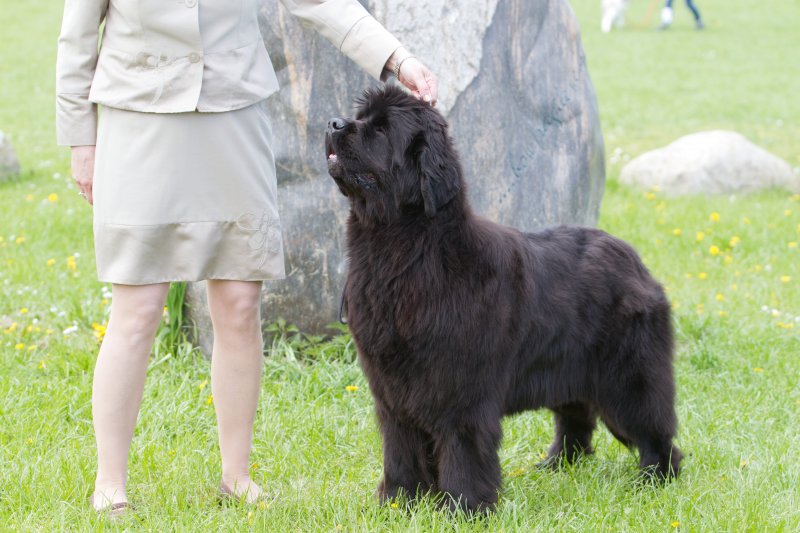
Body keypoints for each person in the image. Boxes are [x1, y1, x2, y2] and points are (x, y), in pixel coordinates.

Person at [56, 0, 438, 516]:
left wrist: (397, 58)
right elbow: (77, 38)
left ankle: (236, 477)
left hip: (234, 113)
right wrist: (81, 140)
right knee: (137, 309)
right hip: (137, 118)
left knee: (239, 303)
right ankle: (110, 484)